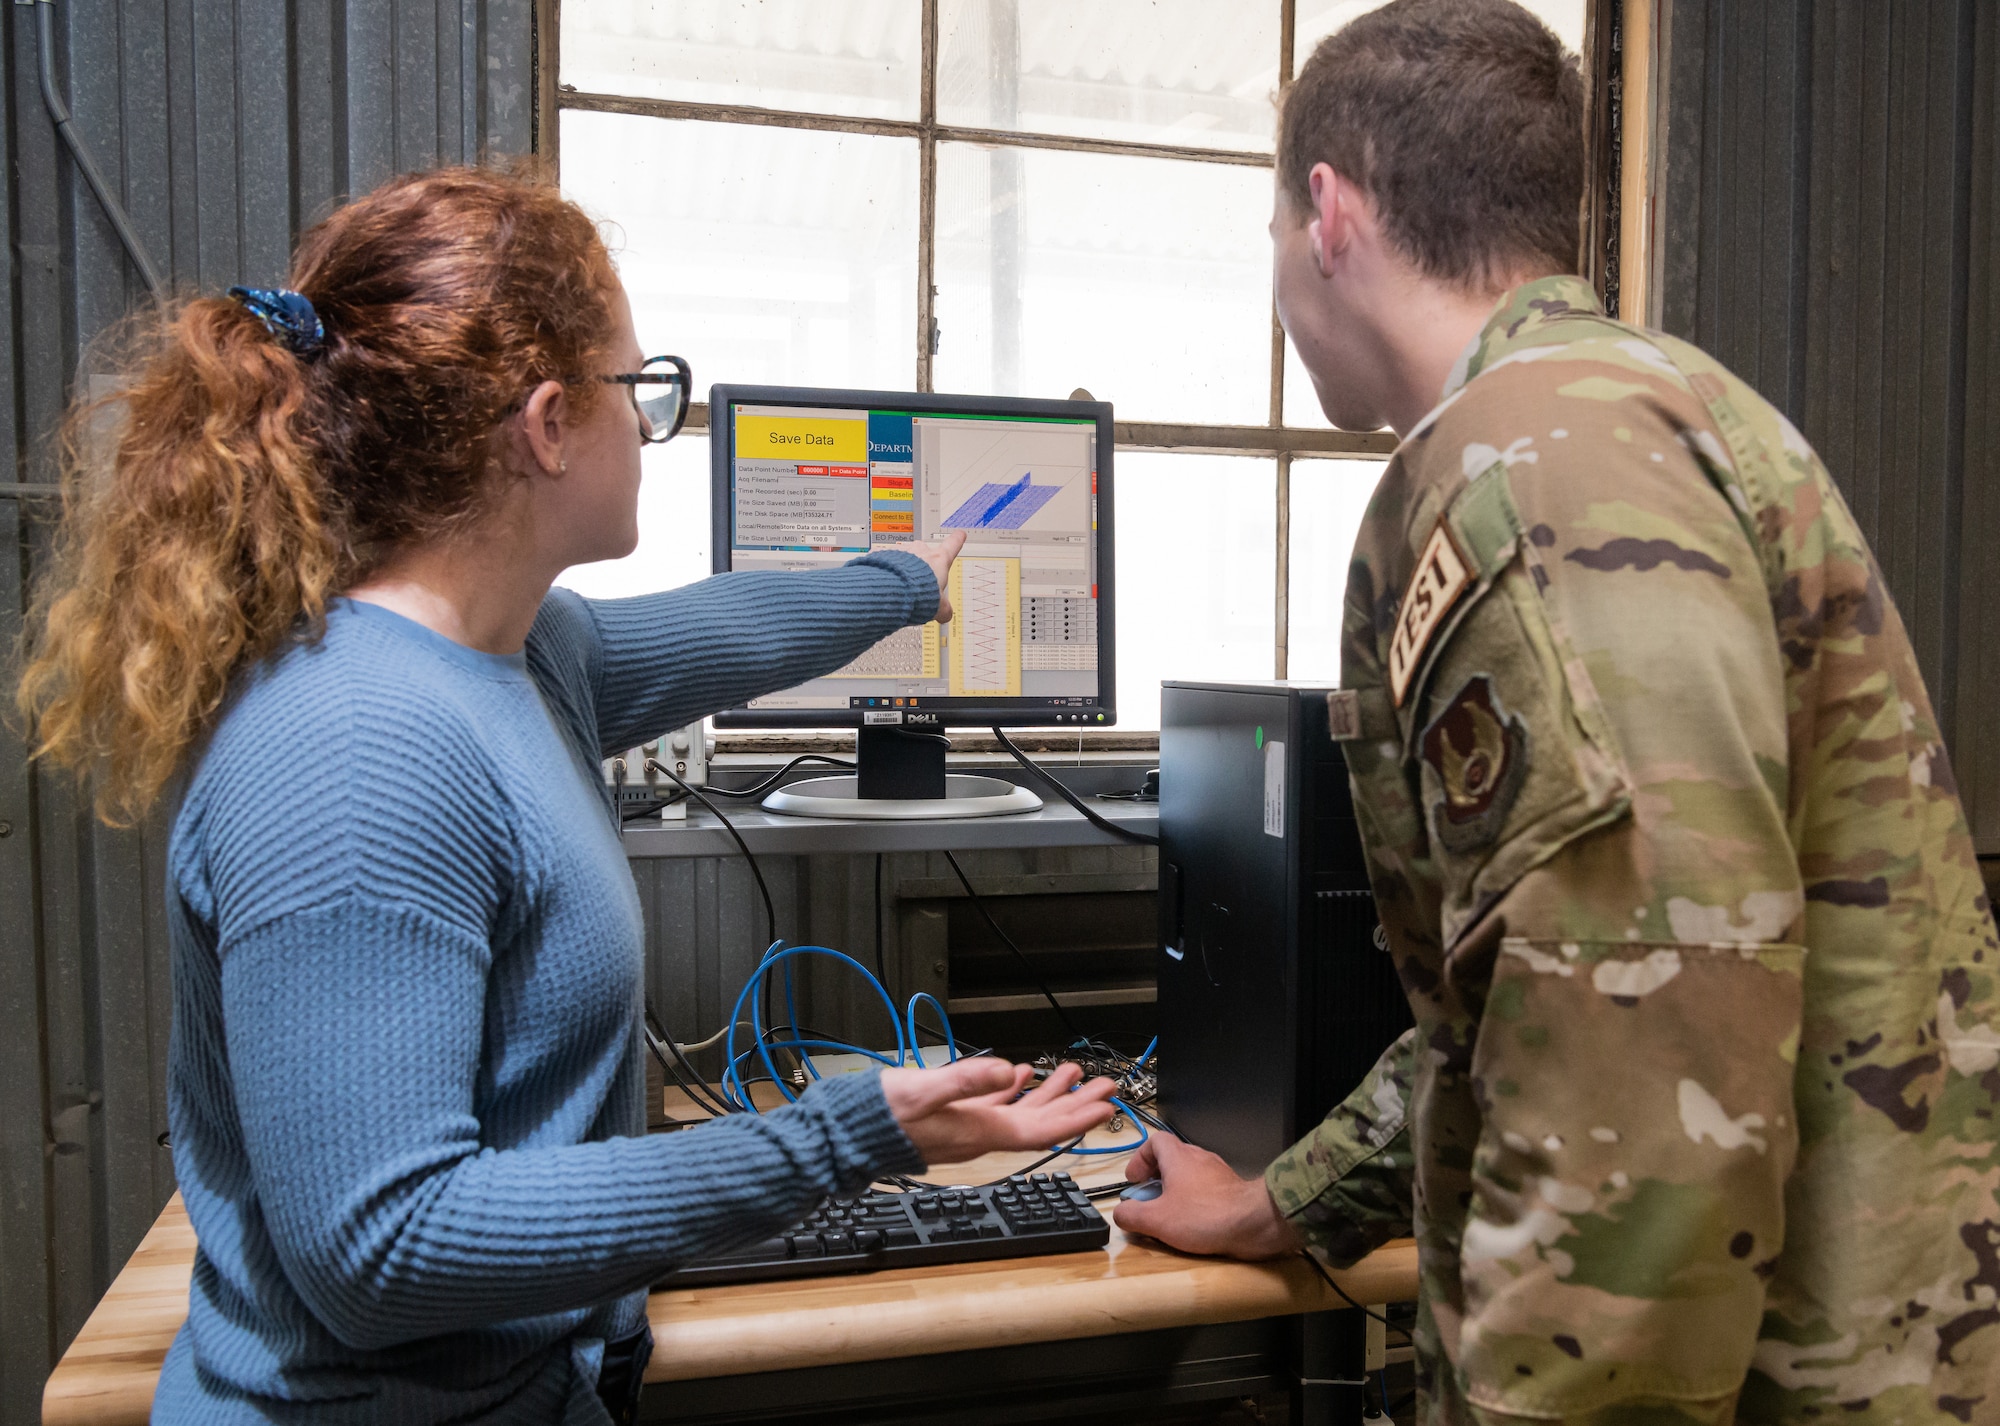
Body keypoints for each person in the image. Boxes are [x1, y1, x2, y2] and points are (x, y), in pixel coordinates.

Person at [14, 166, 1117, 1423]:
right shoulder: (358, 747)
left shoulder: (526, 654)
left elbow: (728, 628)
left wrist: (909, 576)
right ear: (545, 423)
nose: (649, 426)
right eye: (635, 388)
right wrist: (838, 1139)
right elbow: (384, 1248)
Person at [1112, 3, 2000, 1422]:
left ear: (1328, 214)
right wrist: (1293, 1203)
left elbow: (1649, 1079)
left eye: (1271, 230)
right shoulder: (1644, 409)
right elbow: (1545, 997)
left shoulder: (1528, 471)